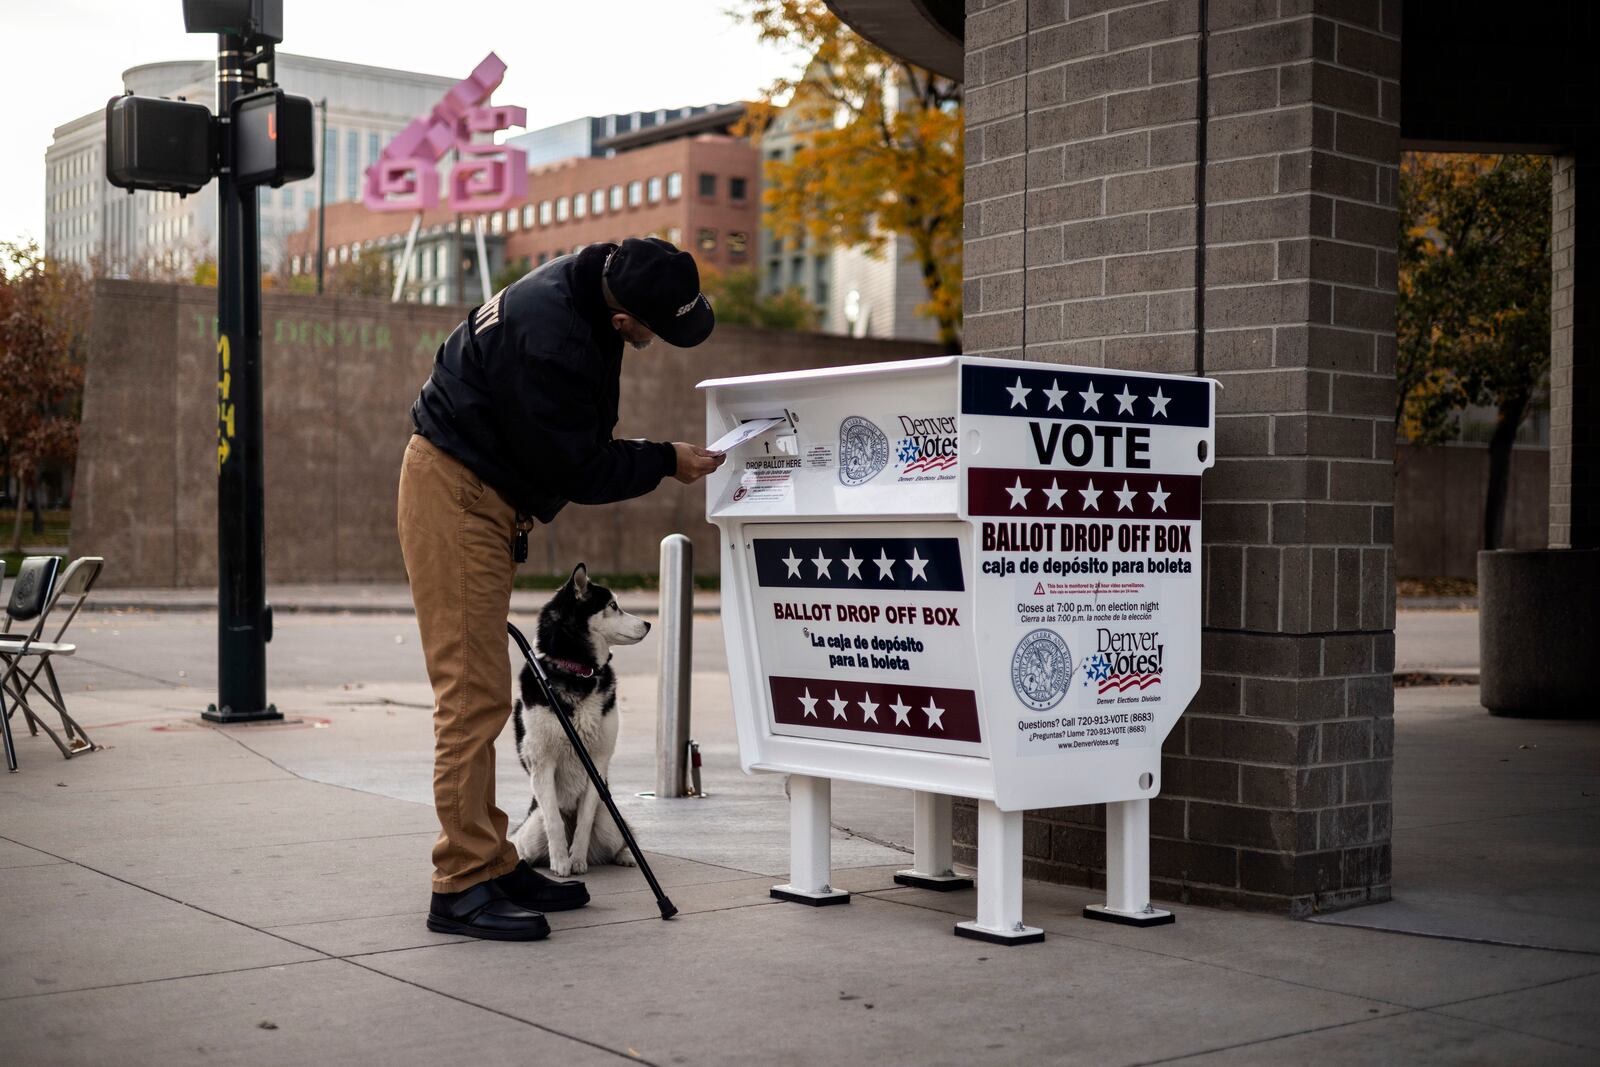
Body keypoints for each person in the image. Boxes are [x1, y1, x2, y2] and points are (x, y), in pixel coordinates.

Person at [397, 237, 725, 941]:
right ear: (621, 320)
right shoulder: (557, 341)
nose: (656, 341)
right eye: (655, 330)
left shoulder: (587, 281)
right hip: (457, 496)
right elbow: (580, 466)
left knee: (481, 689)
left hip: (478, 491)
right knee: (472, 695)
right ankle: (460, 882)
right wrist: (668, 461)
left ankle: (493, 858)